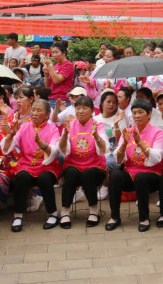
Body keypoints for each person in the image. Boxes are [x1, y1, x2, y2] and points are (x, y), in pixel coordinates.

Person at [106, 99, 163, 232]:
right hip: (131, 172)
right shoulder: (127, 132)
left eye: (141, 112)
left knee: (141, 177)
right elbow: (119, 160)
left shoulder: (157, 132)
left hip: (153, 174)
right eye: (134, 113)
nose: (137, 116)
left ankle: (144, 217)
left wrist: (140, 143)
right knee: (115, 175)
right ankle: (115, 217)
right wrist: (124, 143)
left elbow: (157, 158)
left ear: (149, 114)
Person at [2, 99, 60, 232]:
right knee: (22, 177)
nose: (34, 113)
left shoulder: (53, 129)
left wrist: (42, 144)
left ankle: (53, 213)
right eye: (33, 110)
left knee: (44, 179)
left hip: (47, 166)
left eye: (39, 110)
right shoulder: (23, 127)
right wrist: (11, 133)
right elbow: (8, 147)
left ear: (47, 114)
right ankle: (18, 215)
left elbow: (55, 151)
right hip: (26, 165)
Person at [58, 96, 107, 229]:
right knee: (71, 173)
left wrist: (96, 135)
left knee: (87, 174)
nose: (80, 111)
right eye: (78, 107)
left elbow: (104, 149)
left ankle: (93, 210)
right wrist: (65, 134)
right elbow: (63, 150)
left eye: (85, 107)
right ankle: (65, 211)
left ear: (92, 110)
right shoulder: (69, 125)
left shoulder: (98, 125)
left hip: (95, 167)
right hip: (73, 164)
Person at [44, 41, 75, 108]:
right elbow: (48, 86)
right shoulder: (54, 66)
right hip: (52, 98)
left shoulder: (68, 65)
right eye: (52, 52)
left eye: (56, 52)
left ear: (64, 53)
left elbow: (57, 80)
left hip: (62, 99)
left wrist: (50, 65)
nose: (54, 55)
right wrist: (46, 75)